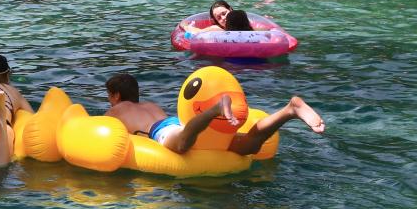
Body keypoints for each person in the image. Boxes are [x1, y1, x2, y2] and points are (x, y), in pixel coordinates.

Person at [102, 73, 324, 157]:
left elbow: (109, 134)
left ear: (116, 95)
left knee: (181, 145)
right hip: (177, 122)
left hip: (164, 130)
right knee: (249, 146)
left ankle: (215, 110)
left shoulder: (115, 110)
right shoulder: (150, 104)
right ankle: (289, 110)